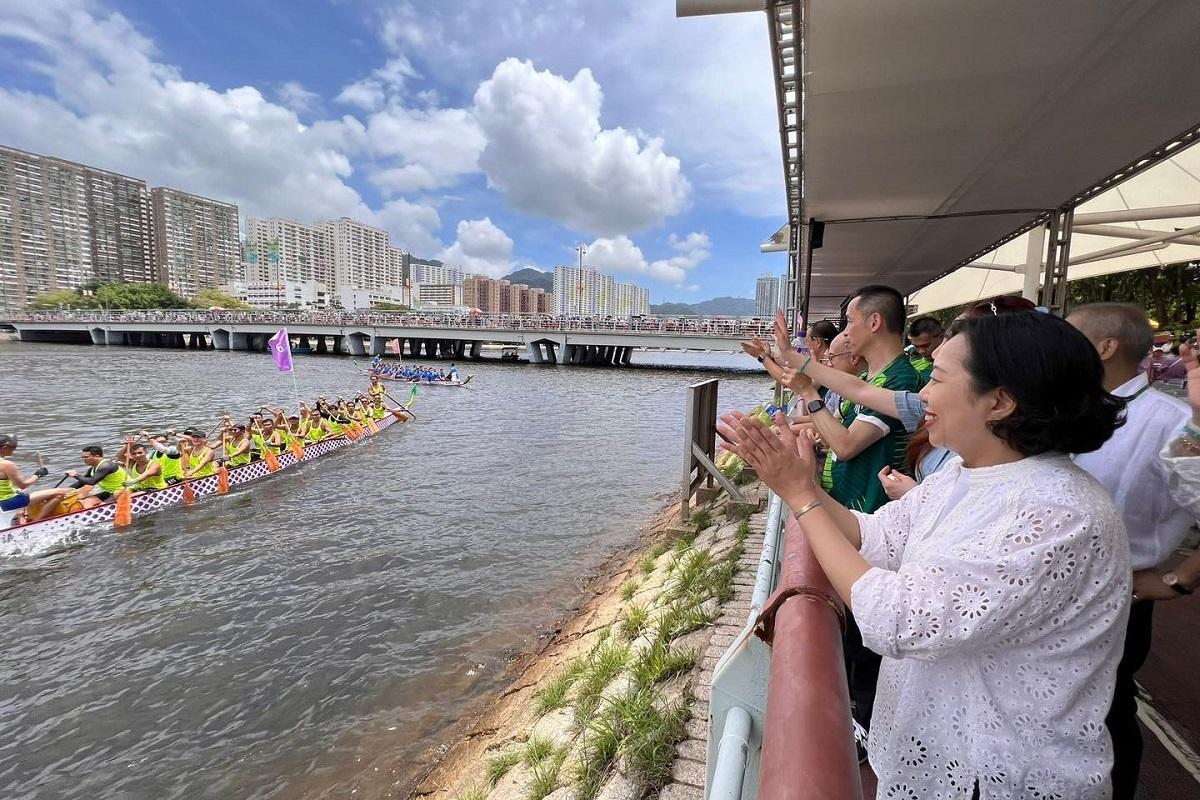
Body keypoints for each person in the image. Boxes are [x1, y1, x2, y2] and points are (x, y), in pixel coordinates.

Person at [719, 311, 1129, 798]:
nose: (924, 395)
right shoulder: (963, 473)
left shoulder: (1060, 512)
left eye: (937, 378)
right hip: (933, 753)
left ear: (999, 402)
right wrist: (801, 484)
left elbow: (901, 619)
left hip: (998, 776)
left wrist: (802, 497)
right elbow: (875, 536)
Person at [1065, 303, 1197, 799]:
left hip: (1119, 595)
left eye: (1071, 336)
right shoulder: (1070, 406)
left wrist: (1177, 580)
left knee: (1104, 712)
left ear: (1105, 347)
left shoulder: (1174, 422)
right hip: (1051, 589)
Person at [0, 433, 57, 524]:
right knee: (60, 493)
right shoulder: (7, 464)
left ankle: (21, 514)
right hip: (9, 502)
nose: (14, 451)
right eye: (14, 447)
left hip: (2, 501)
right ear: (4, 448)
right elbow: (23, 485)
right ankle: (35, 523)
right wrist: (38, 474)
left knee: (23, 491)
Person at [906, 316, 944, 382]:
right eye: (916, 346)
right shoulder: (912, 363)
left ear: (941, 338)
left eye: (925, 346)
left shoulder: (954, 363)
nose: (921, 351)